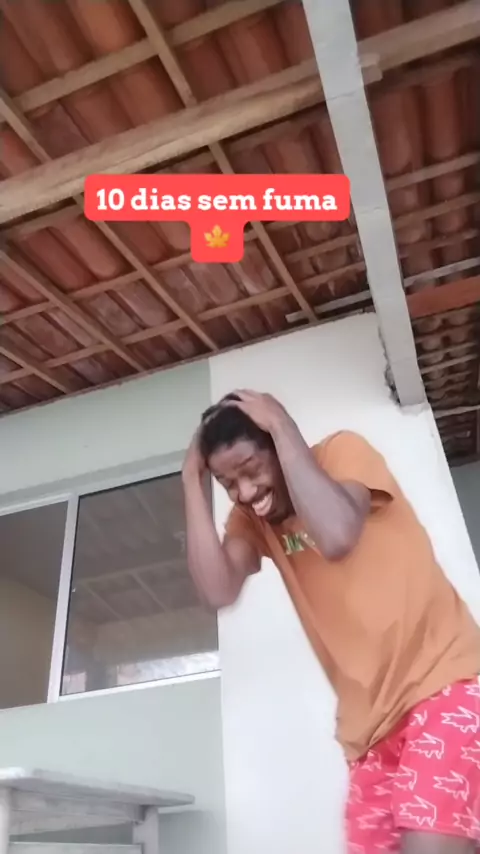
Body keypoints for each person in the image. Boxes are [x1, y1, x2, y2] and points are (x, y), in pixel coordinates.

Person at [182, 389, 480, 854]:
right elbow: (218, 591)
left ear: (279, 444)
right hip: (368, 731)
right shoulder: (250, 522)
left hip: (445, 682)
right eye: (227, 482)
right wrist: (190, 482)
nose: (245, 492)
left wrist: (281, 423)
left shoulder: (342, 452)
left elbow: (337, 535)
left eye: (251, 469)